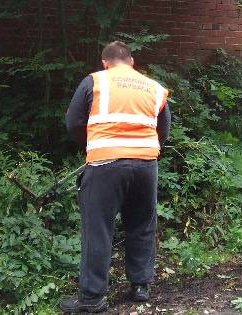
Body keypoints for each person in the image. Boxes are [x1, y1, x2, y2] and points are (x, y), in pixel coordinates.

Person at [60, 41, 171, 313]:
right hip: (146, 165)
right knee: (142, 224)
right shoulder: (153, 87)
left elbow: (73, 122)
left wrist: (94, 144)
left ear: (105, 63)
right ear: (131, 62)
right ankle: (140, 286)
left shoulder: (95, 81)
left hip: (105, 164)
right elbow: (164, 128)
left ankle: (92, 298)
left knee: (98, 228)